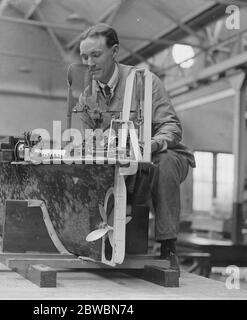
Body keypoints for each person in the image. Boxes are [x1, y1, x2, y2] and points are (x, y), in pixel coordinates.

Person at [77, 23, 196, 269]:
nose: (89, 62)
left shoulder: (145, 82)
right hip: (120, 162)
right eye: (84, 56)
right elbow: (91, 141)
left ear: (115, 51)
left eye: (96, 55)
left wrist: (149, 146)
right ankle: (95, 242)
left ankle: (168, 247)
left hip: (157, 157)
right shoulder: (86, 97)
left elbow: (172, 127)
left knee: (164, 163)